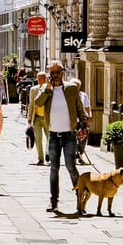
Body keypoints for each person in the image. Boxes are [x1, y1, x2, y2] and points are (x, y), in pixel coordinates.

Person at [28, 62, 90, 216]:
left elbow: (79, 108)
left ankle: (80, 197)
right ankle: (54, 200)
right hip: (53, 135)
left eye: (57, 72)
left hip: (69, 134)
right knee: (54, 168)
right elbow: (37, 103)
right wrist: (48, 89)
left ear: (63, 73)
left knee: (70, 166)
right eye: (52, 72)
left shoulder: (71, 88)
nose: (54, 75)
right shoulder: (45, 89)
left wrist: (83, 125)